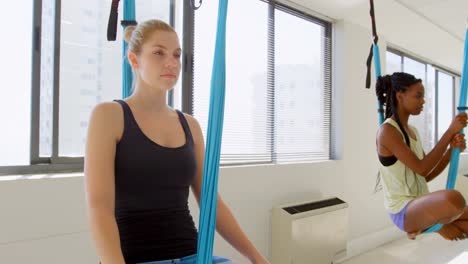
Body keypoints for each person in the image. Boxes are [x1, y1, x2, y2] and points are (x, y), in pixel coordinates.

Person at [84, 19, 269, 264]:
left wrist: (257, 258)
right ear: (134, 59)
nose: (171, 62)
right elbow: (99, 207)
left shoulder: (190, 126)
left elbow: (211, 203)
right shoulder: (108, 116)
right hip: (135, 257)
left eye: (177, 54)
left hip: (193, 256)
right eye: (159, 53)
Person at [375, 72, 468, 240]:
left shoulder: (413, 131)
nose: (423, 101)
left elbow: (425, 174)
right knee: (454, 199)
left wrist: (450, 151)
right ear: (400, 96)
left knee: (461, 212)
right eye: (418, 96)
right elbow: (422, 167)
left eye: (423, 96)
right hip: (403, 210)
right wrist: (450, 131)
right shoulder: (387, 131)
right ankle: (433, 225)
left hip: (421, 203)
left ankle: (432, 225)